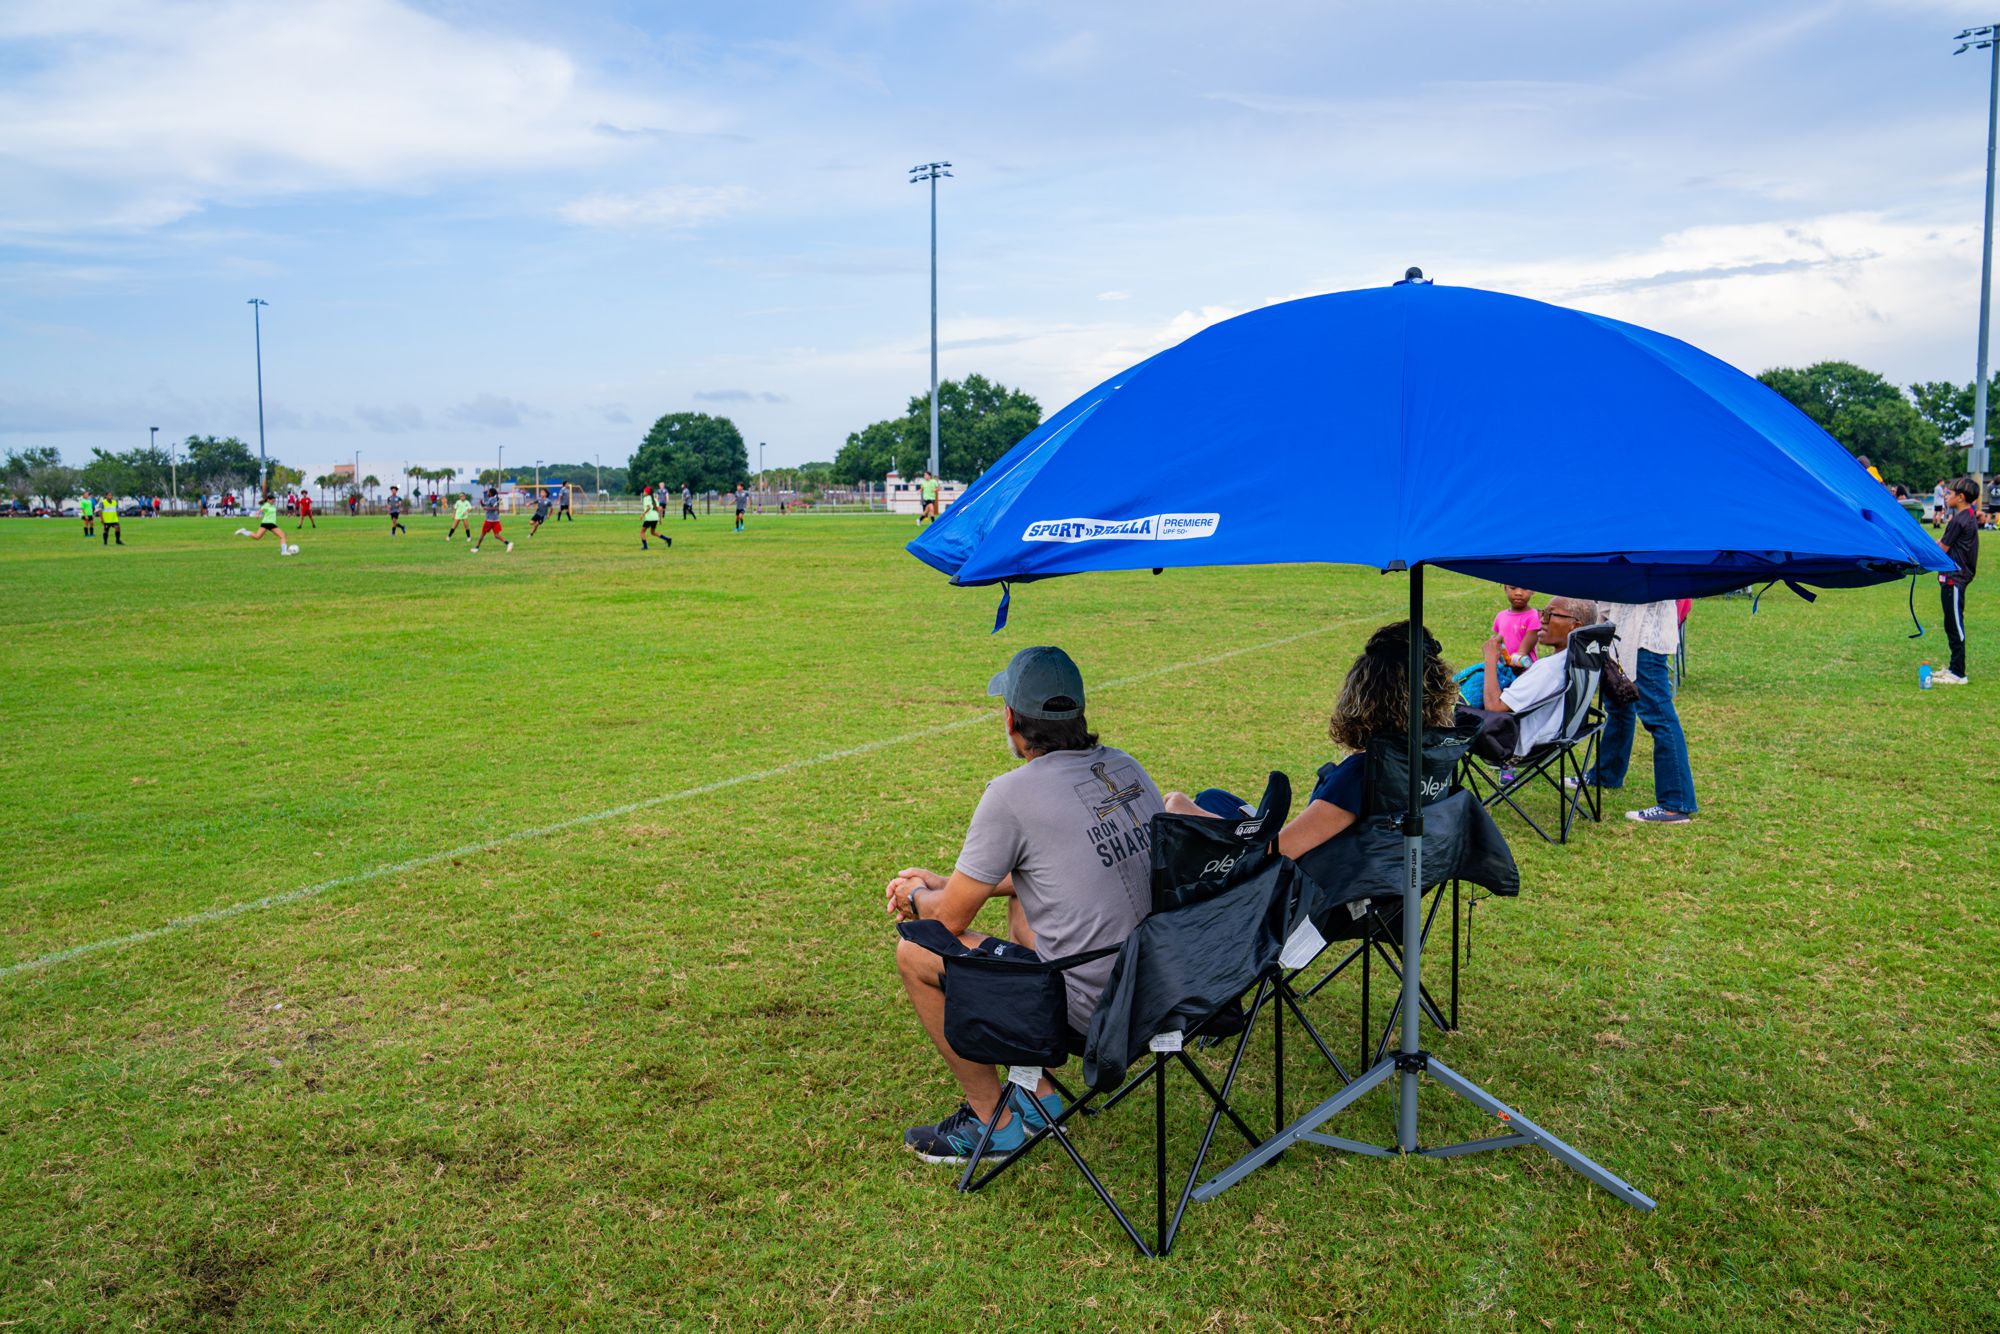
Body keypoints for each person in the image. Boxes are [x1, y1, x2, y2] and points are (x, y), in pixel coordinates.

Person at [886, 646, 1162, 1162]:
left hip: (1097, 1011)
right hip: (1158, 988)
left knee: (915, 955)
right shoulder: (1123, 766)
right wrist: (949, 882)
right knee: (1024, 905)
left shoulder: (1012, 793)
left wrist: (916, 895)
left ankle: (993, 1121)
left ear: (1011, 719)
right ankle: (1041, 1095)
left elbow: (946, 923)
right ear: (1079, 713)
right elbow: (1059, 869)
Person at [1164, 620, 1458, 857]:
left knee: (1195, 807)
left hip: (1311, 894)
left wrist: (1183, 809)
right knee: (1214, 799)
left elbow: (1273, 850)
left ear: (1364, 698)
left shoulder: (1361, 777)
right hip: (1384, 888)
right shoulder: (1427, 759)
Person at [1576, 600, 1697, 825]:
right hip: (1621, 632)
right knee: (1619, 705)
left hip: (1645, 637)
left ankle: (1675, 803)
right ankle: (1606, 775)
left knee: (1659, 716)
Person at [1473, 596, 1599, 756]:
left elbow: (1494, 708)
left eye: (1549, 615)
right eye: (1542, 613)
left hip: (1514, 742)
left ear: (1575, 626)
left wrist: (1490, 659)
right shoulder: (1580, 661)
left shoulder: (1548, 669)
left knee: (1452, 713)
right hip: (1556, 738)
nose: (1541, 620)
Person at [1455, 585, 1541, 705]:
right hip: (1502, 669)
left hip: (1523, 669)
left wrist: (1517, 659)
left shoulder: (1533, 616)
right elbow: (1498, 641)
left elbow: (1525, 647)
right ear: (1505, 588)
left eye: (1525, 588)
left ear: (1533, 590)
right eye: (1513, 588)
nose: (1518, 593)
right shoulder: (1501, 616)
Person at [1936, 476, 1980, 685]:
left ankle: (1958, 673)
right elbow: (1946, 544)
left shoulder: (1959, 520)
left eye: (1950, 493)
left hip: (1954, 579)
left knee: (1954, 625)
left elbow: (1942, 548)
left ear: (1960, 498)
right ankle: (1954, 668)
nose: (1946, 496)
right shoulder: (1969, 515)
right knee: (1951, 623)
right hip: (1956, 578)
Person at [237, 493, 290, 557]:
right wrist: (257, 514)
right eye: (272, 500)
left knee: (258, 537)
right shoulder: (266, 505)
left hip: (269, 524)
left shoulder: (272, 506)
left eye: (274, 500)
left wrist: (287, 513)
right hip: (268, 523)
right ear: (268, 500)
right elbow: (260, 510)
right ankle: (284, 552)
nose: (274, 502)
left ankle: (244, 531)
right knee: (281, 536)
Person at [472, 486, 511, 552]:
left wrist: (487, 508)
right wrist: (481, 503)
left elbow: (495, 508)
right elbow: (485, 506)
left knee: (482, 534)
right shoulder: (492, 499)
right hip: (496, 520)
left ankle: (476, 548)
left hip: (490, 520)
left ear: (491, 493)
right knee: (496, 535)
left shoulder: (492, 499)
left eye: (488, 492)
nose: (487, 492)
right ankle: (508, 543)